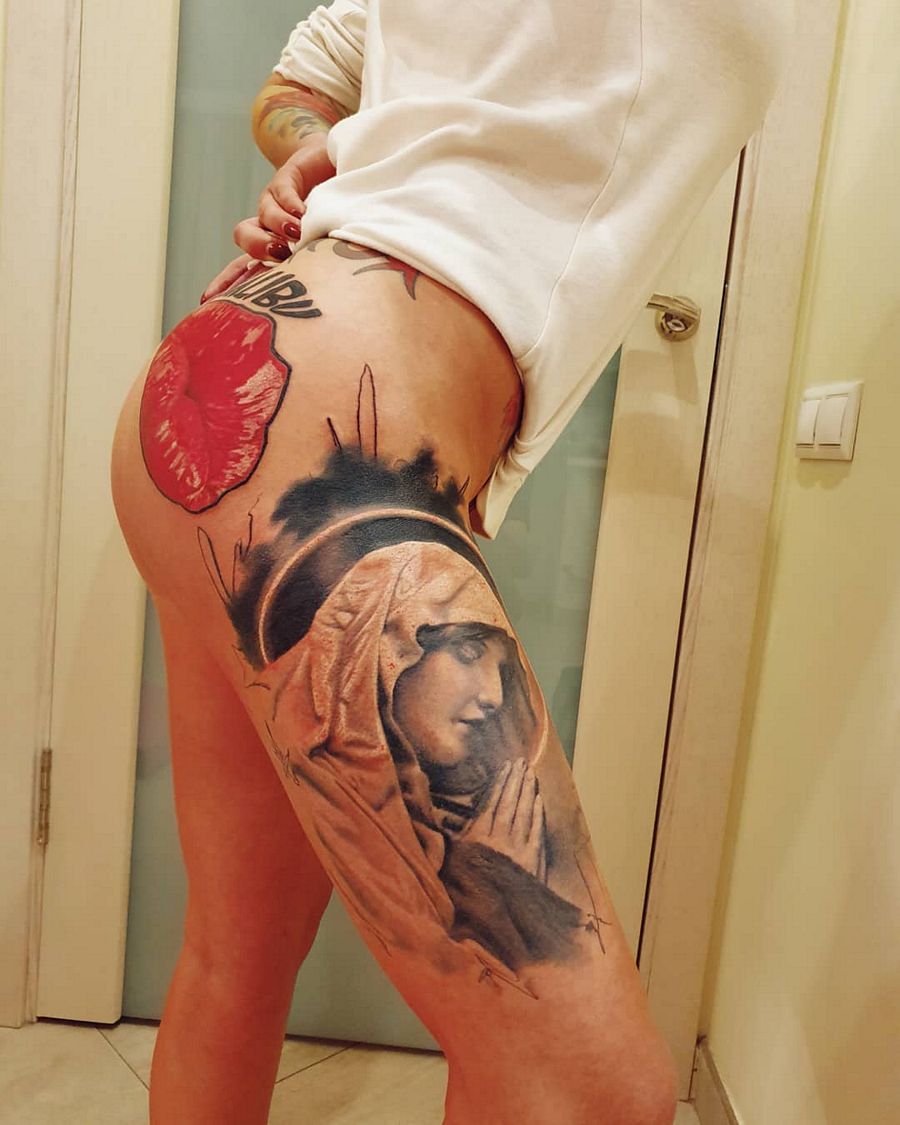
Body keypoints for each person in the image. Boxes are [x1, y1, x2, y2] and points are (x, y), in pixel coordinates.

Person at [111, 2, 791, 1121]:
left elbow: (300, 88)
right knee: (599, 1093)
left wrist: (319, 148)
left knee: (239, 952)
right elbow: (300, 84)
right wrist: (320, 150)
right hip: (323, 443)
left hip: (244, 398)